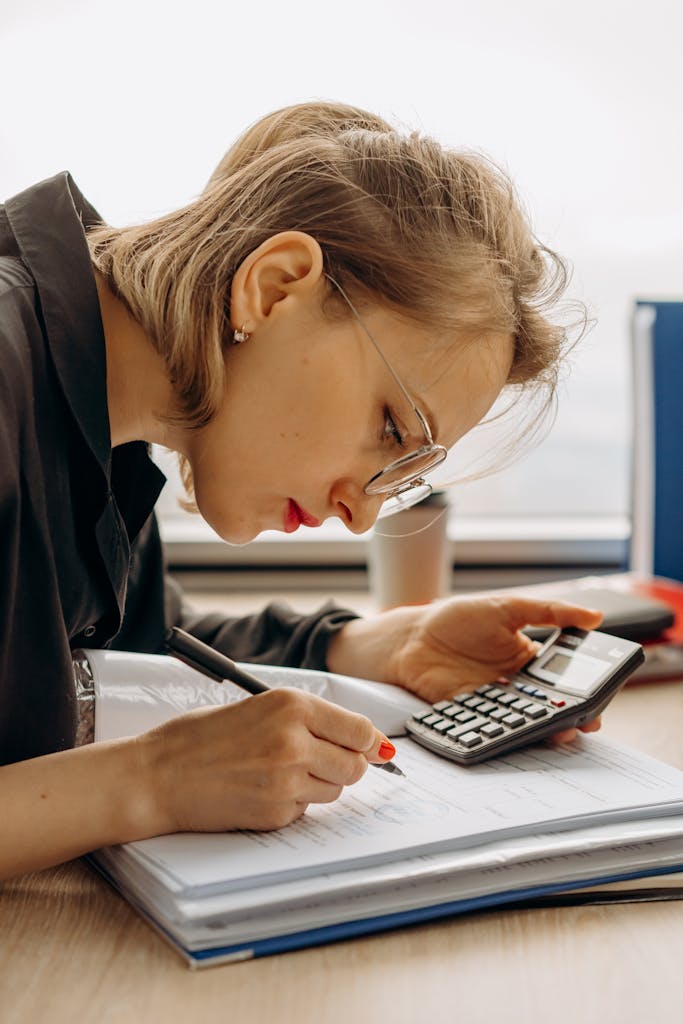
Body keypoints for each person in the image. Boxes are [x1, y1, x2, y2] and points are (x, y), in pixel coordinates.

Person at [0, 101, 603, 880]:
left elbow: (124, 648)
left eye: (405, 472)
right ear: (276, 287)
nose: (361, 514)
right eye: (392, 429)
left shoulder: (100, 422)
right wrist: (148, 783)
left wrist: (362, 647)